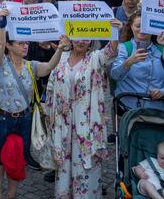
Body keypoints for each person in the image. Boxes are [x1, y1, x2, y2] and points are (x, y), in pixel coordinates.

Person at [0, 13, 68, 199]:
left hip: (23, 118)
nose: (25, 46)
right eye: (21, 43)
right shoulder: (0, 63)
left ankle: (12, 193)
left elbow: (48, 68)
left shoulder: (31, 66)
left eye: (27, 44)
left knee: (17, 157)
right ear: (9, 46)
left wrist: (61, 50)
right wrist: (2, 25)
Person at [44, 18, 123, 198]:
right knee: (64, 165)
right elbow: (50, 86)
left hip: (87, 122)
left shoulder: (95, 58)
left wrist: (115, 32)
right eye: (78, 37)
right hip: (62, 121)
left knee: (85, 165)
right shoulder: (61, 57)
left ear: (91, 40)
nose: (81, 41)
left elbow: (111, 51)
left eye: (86, 38)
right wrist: (48, 112)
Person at [111, 11, 164, 112]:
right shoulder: (124, 48)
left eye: (146, 26)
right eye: (138, 26)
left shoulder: (163, 50)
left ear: (153, 29)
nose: (142, 30)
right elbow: (114, 75)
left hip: (159, 112)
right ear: (131, 27)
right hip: (128, 109)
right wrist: (129, 62)